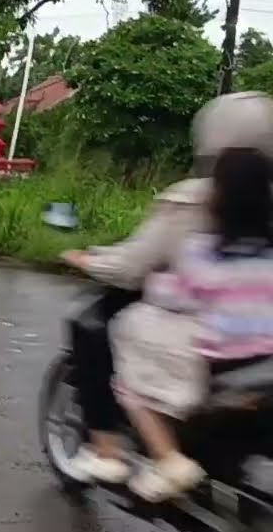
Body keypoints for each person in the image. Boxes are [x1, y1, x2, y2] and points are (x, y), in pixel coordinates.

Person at [60, 92, 273, 484]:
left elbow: (132, 267)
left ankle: (110, 451)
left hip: (200, 327)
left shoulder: (191, 200)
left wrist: (89, 259)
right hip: (261, 339)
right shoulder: (263, 200)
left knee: (105, 328)